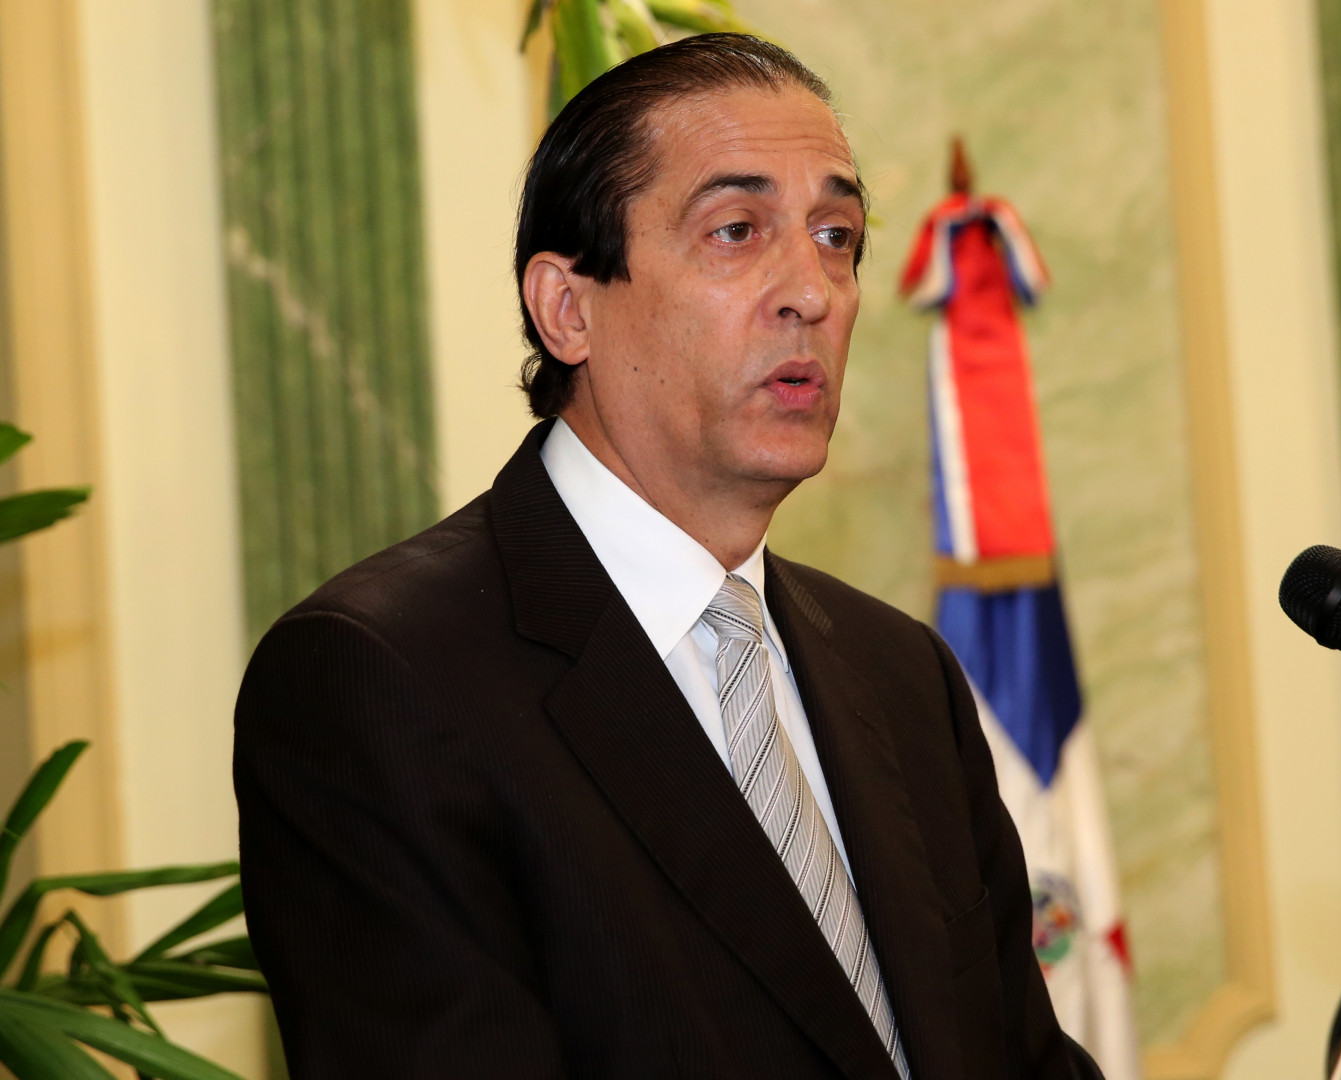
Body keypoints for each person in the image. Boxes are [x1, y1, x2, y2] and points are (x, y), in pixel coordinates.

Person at [233, 32, 1102, 1080]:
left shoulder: (901, 673)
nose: (813, 291)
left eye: (837, 236)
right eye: (736, 231)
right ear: (567, 309)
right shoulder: (380, 678)